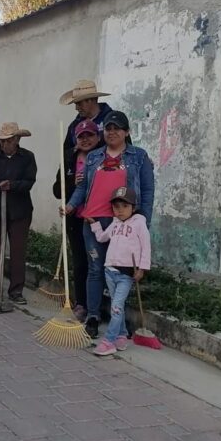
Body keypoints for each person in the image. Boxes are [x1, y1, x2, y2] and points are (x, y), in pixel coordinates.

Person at [64, 110, 155, 339]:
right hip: (93, 221)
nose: (112, 132)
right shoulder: (94, 156)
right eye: (108, 128)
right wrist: (71, 205)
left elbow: (147, 190)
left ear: (126, 132)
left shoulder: (139, 156)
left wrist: (143, 219)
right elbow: (83, 187)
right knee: (96, 269)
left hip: (123, 222)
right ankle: (93, 316)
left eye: (117, 128)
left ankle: (119, 320)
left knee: (122, 272)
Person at [87, 187, 151, 355]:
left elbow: (146, 247)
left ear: (133, 207)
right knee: (118, 306)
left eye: (125, 206)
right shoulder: (114, 223)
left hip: (126, 274)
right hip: (110, 271)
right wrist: (94, 224)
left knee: (115, 307)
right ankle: (121, 336)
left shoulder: (139, 224)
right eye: (116, 207)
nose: (120, 210)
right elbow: (102, 238)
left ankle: (108, 341)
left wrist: (142, 269)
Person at [0, 122, 37, 306]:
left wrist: (12, 185)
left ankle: (16, 291)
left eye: (8, 141)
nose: (4, 144)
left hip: (20, 211)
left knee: (18, 252)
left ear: (17, 140)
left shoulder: (27, 157)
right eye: (2, 141)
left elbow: (29, 181)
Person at [54, 119, 102, 319]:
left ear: (97, 137)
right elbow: (57, 190)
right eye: (81, 136)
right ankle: (81, 303)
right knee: (80, 262)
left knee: (98, 263)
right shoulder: (69, 158)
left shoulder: (104, 156)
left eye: (89, 135)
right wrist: (72, 183)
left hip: (98, 218)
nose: (85, 140)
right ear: (75, 139)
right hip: (75, 219)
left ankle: (97, 306)